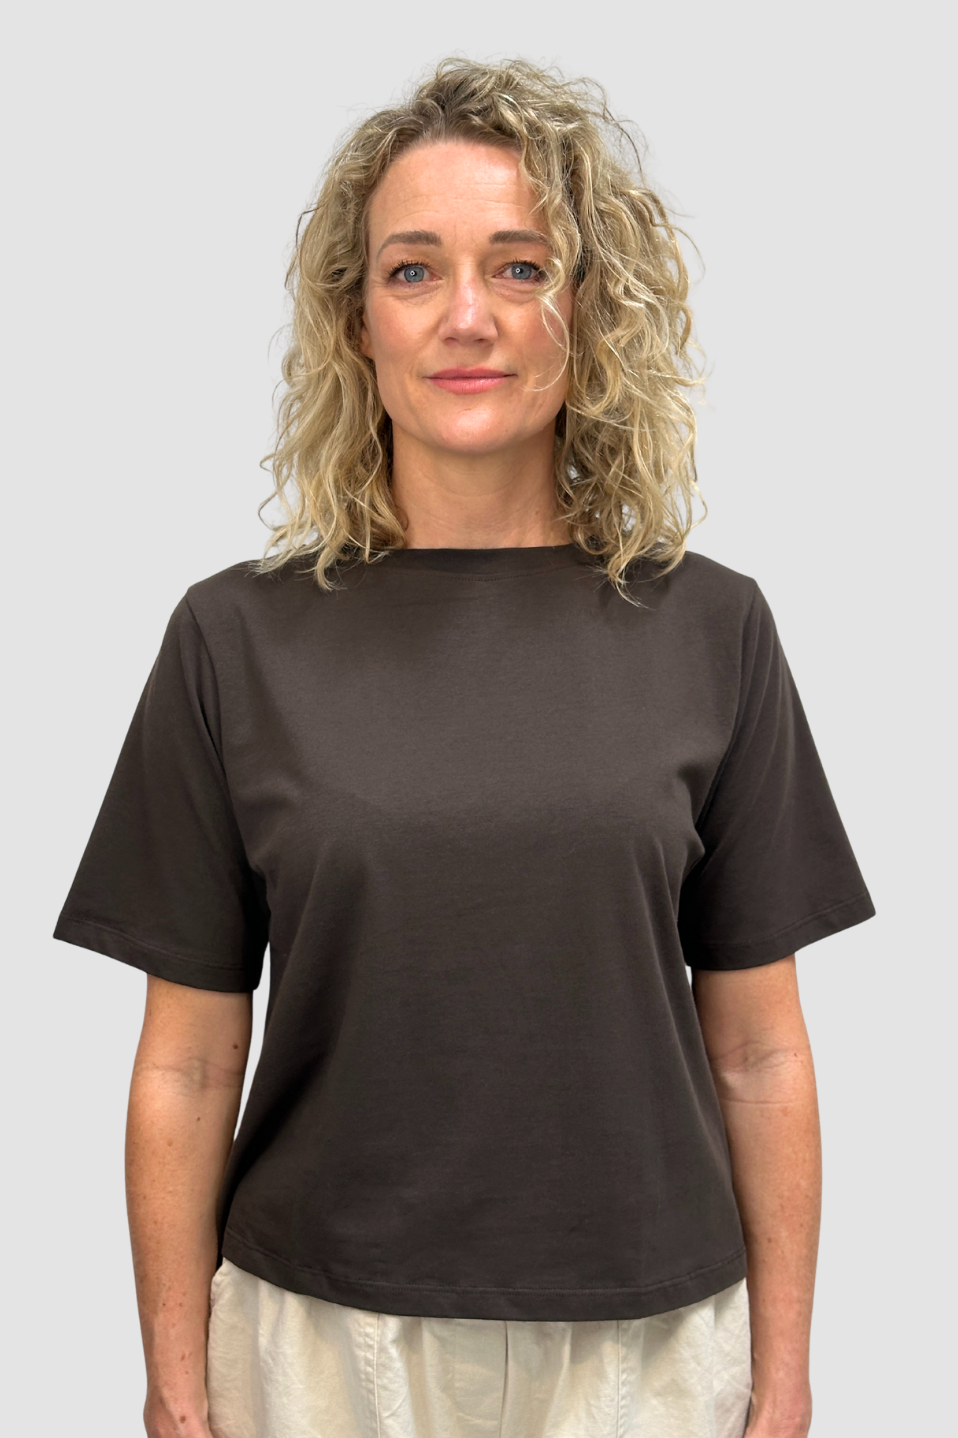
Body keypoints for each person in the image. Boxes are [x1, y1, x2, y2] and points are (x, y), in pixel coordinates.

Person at [53, 56, 875, 1438]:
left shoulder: (711, 626)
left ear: (587, 307)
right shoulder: (232, 639)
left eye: (519, 265)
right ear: (354, 320)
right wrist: (179, 1385)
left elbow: (759, 1053)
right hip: (316, 1341)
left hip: (647, 1343)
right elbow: (186, 1061)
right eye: (414, 271)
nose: (468, 318)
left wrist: (781, 1375)